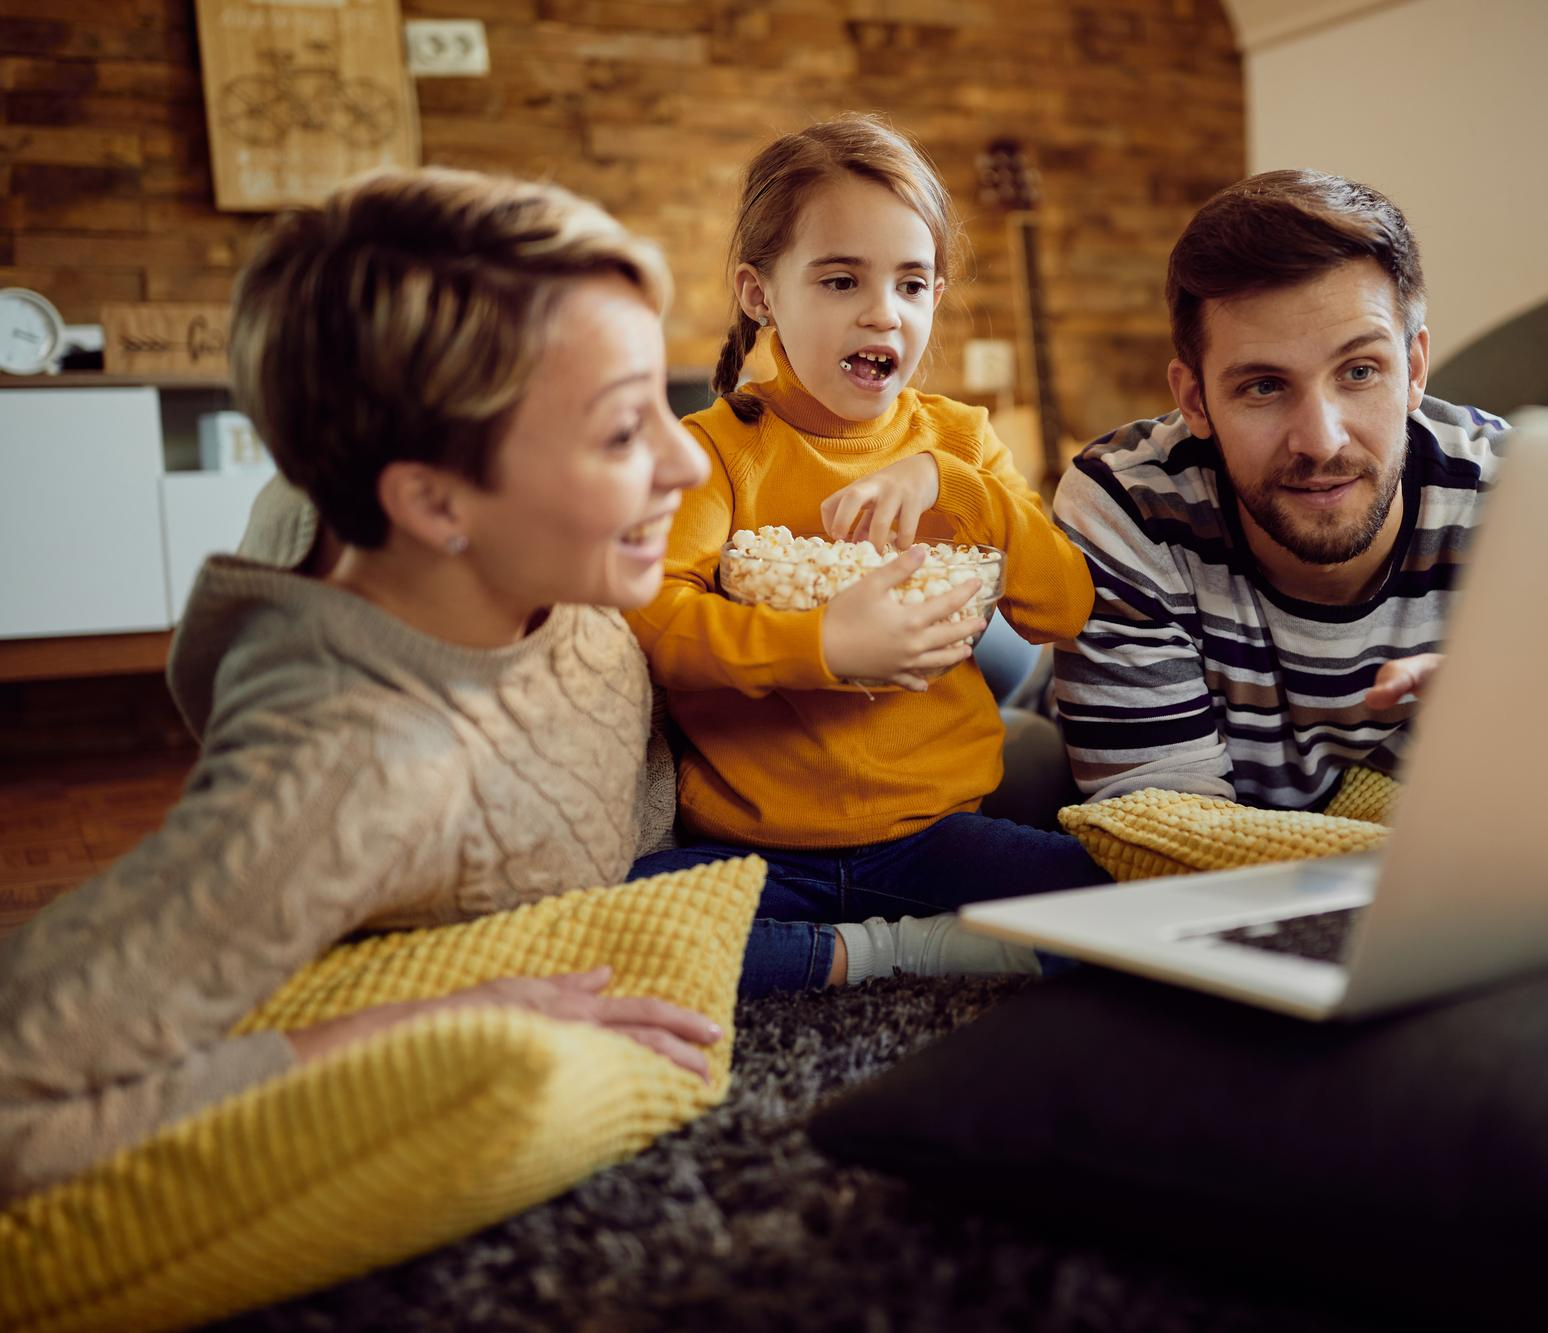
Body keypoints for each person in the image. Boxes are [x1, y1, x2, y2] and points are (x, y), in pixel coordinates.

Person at [0, 167, 722, 1204]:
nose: (684, 463)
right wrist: (391, 1029)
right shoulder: (346, 774)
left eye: (666, 401)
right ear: (430, 501)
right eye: (620, 430)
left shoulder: (518, 546)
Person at [625, 116, 1109, 994]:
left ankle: (856, 953)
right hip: (755, 851)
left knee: (1117, 907)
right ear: (759, 293)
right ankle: (896, 954)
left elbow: (1065, 607)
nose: (884, 311)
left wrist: (953, 486)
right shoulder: (713, 452)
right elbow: (655, 618)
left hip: (937, 836)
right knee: (617, 929)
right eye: (842, 279)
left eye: (912, 284)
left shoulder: (961, 439)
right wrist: (823, 649)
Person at [1052, 170, 1509, 810]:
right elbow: (1161, 837)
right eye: (1263, 386)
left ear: (1413, 371)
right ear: (1195, 400)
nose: (1320, 442)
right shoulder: (1129, 504)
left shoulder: (1519, 500)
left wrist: (1514, 733)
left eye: (1359, 371)